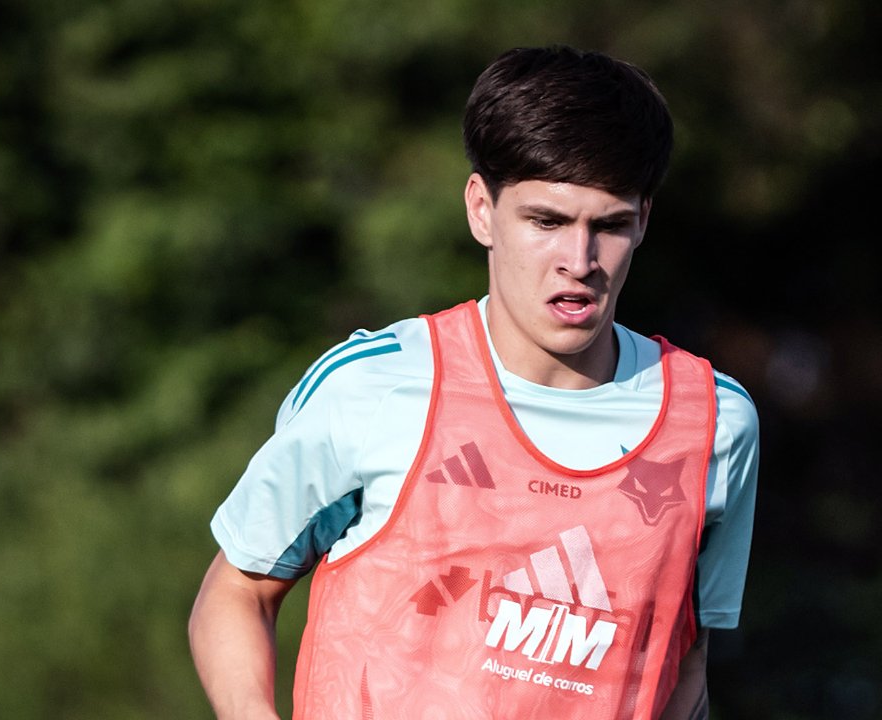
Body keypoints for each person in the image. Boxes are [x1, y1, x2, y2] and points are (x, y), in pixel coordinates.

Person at [188, 45, 759, 720]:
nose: (579, 261)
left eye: (609, 226)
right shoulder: (375, 388)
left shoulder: (714, 424)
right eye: (546, 221)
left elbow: (684, 662)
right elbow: (238, 590)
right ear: (482, 210)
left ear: (644, 222)